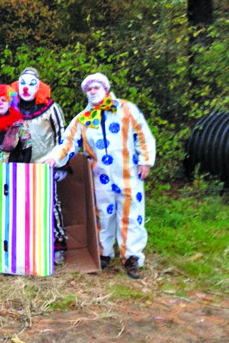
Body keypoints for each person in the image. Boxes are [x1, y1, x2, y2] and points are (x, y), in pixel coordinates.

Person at [43, 73, 156, 279]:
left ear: (105, 89)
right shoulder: (83, 119)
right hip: (100, 177)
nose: (93, 92)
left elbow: (143, 134)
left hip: (128, 174)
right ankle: (103, 253)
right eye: (89, 89)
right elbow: (68, 142)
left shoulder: (127, 109)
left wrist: (145, 160)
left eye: (96, 88)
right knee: (103, 216)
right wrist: (53, 158)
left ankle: (132, 257)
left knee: (131, 215)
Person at [11, 67, 67, 262]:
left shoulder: (51, 108)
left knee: (51, 204)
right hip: (18, 164)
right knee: (20, 205)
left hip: (45, 164)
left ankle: (57, 244)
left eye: (31, 84)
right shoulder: (10, 106)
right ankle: (27, 245)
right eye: (22, 83)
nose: (26, 88)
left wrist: (60, 163)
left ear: (39, 87)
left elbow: (62, 135)